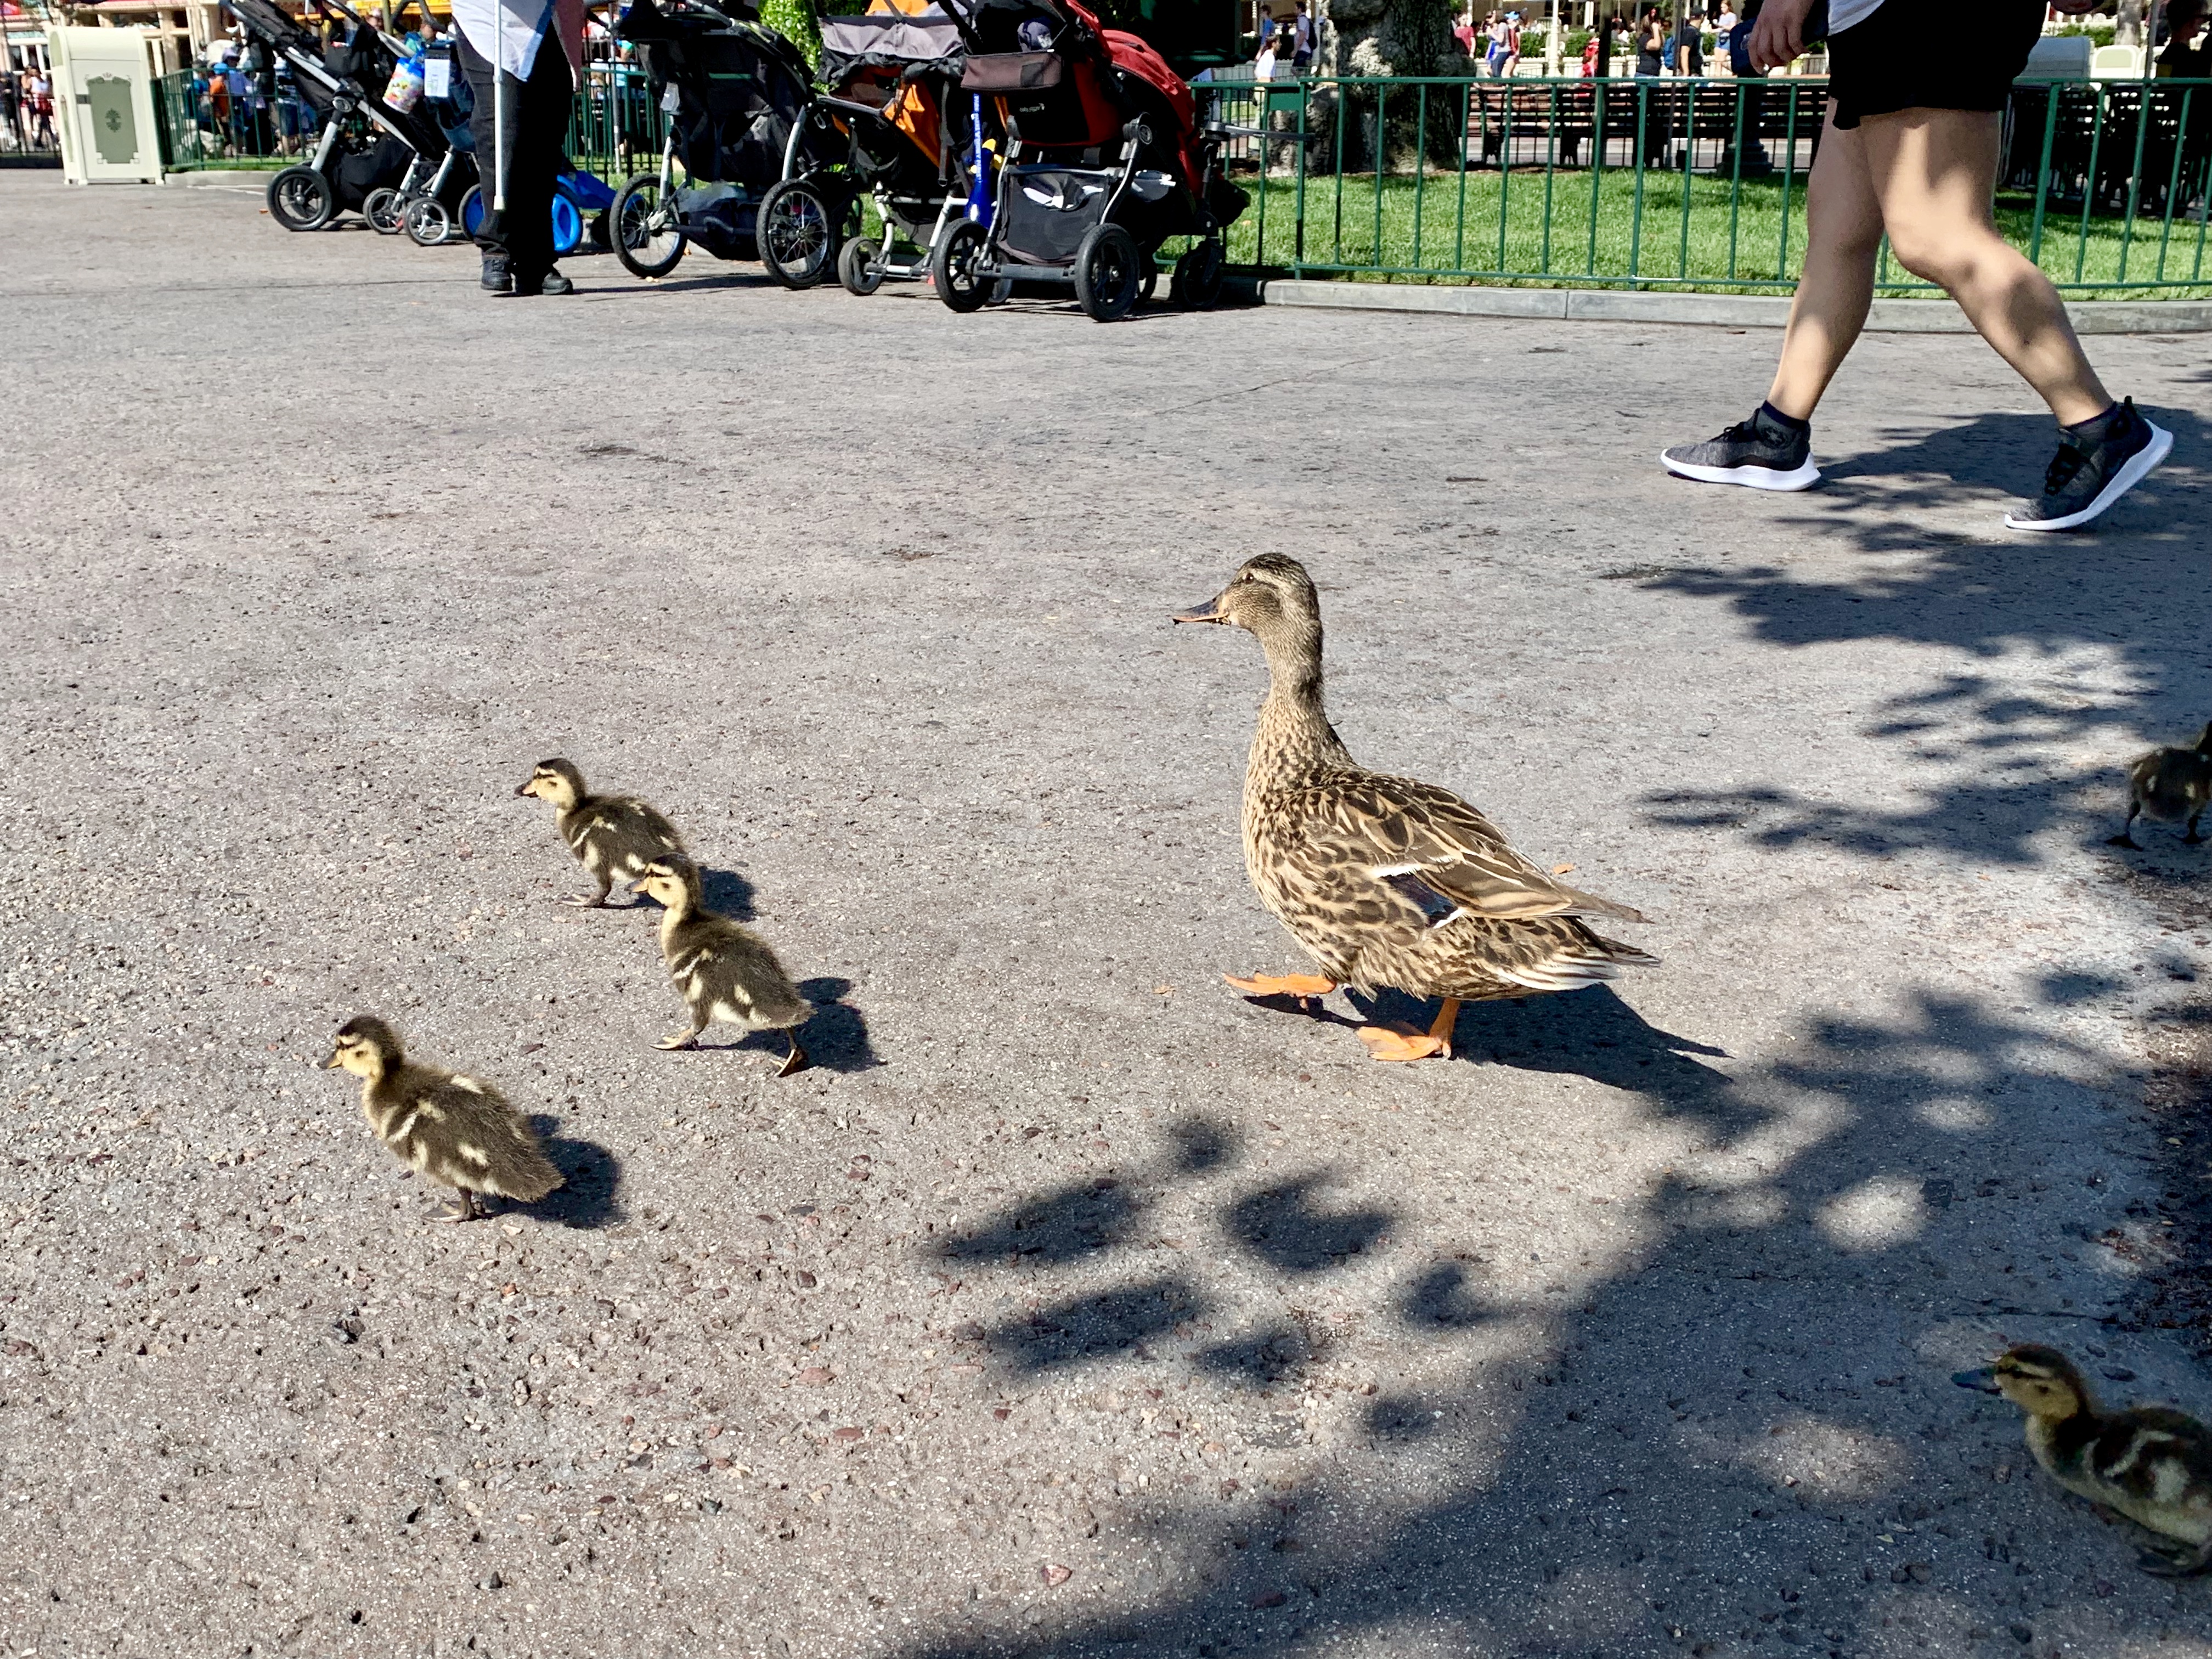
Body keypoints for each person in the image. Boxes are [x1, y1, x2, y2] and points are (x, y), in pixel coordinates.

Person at [1659, 0, 2172, 531]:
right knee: (1839, 222)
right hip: (1876, 18)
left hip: (1924, 17)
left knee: (1938, 232)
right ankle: (1778, 430)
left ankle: (2100, 426)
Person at [452, 0, 583, 296]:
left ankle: (535, 262)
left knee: (544, 141)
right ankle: (497, 249)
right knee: (503, 130)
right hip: (489, 21)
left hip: (544, 22)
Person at [1634, 7, 1665, 75]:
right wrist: (1655, 29)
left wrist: (1659, 31)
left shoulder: (1654, 36)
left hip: (1654, 74)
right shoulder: (1644, 37)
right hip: (1645, 74)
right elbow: (1656, 46)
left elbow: (1662, 43)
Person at [1291, 0, 1316, 69]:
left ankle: (1302, 80)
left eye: (1295, 8)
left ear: (1300, 9)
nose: (1294, 10)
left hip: (1303, 50)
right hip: (1305, 50)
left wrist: (1295, 50)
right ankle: (1303, 79)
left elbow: (1302, 35)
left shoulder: (1302, 20)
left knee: (1295, 69)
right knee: (1302, 70)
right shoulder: (1304, 19)